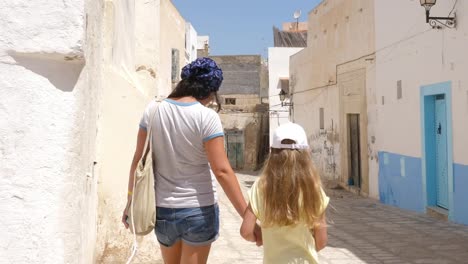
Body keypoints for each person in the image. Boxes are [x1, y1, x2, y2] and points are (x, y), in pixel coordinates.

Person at [122, 57, 261, 264]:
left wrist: (130, 201)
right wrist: (247, 217)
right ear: (209, 91)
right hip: (199, 210)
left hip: (163, 211)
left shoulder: (153, 109)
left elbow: (138, 160)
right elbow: (222, 171)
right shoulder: (206, 117)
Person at [240, 122, 329, 264]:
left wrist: (259, 238)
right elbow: (321, 241)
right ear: (306, 152)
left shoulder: (261, 186)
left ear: (272, 152)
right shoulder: (313, 188)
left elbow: (246, 231)